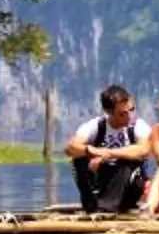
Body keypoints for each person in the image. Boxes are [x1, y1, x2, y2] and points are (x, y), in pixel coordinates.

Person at [64, 84, 151, 214]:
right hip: (102, 183)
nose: (128, 116)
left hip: (128, 186)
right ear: (108, 112)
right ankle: (93, 204)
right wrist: (92, 151)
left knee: (128, 160)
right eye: (122, 114)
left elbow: (143, 150)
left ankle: (106, 208)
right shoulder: (96, 126)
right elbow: (70, 147)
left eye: (130, 110)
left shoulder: (138, 126)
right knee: (79, 158)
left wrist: (109, 154)